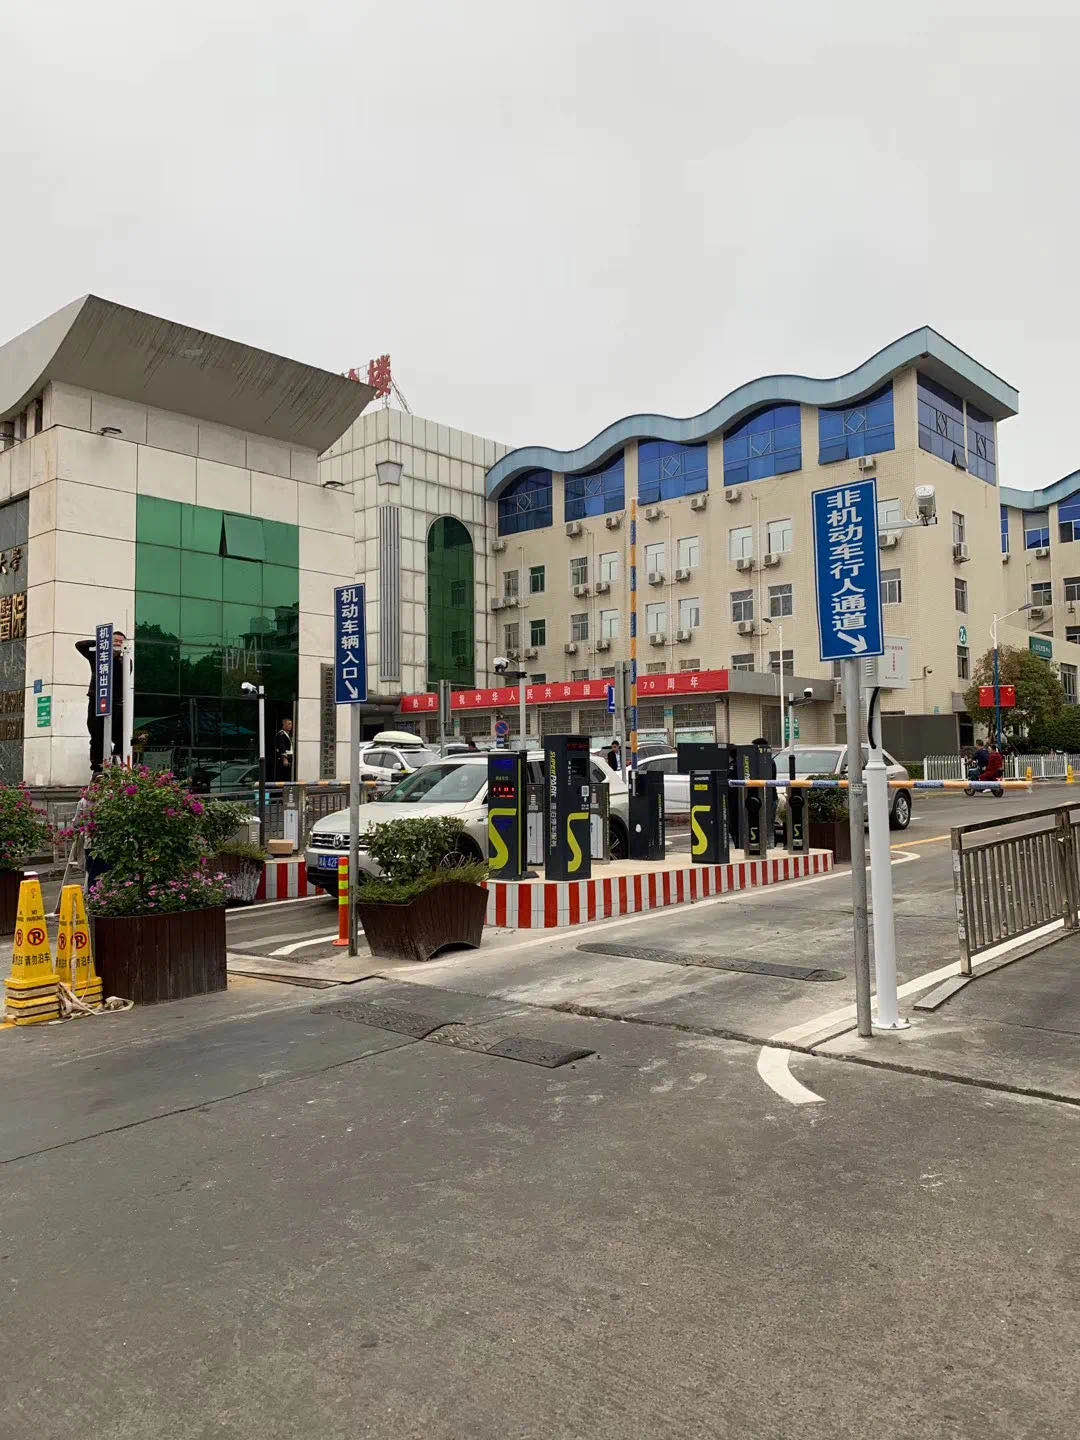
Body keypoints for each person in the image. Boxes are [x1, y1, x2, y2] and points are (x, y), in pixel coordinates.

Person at [75, 630, 126, 774]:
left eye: (121, 642)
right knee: (97, 736)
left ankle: (116, 765)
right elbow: (80, 645)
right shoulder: (97, 656)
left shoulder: (126, 661)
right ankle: (98, 769)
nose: (118, 643)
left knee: (122, 737)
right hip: (97, 701)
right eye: (115, 641)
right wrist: (103, 644)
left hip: (117, 703)